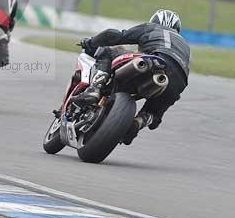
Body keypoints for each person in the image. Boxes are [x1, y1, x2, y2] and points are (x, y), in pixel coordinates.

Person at [77, 9, 190, 145]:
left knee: (108, 51)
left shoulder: (150, 27)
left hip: (152, 61)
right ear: (177, 29)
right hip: (179, 81)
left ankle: (94, 89)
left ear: (154, 21)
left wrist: (91, 42)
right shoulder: (184, 44)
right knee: (154, 113)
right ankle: (140, 121)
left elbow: (113, 35)